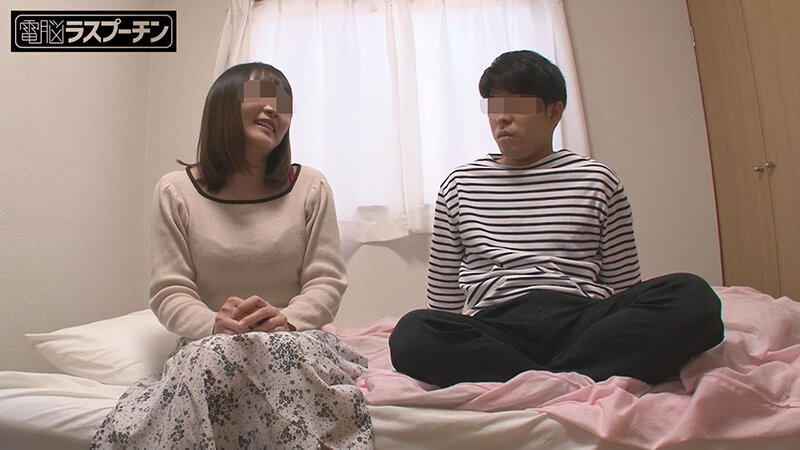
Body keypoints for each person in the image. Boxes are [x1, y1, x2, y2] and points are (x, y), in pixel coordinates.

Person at [389, 50, 724, 388]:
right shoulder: (460, 185)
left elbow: (624, 288)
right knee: (411, 334)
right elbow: (442, 303)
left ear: (554, 111)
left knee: (693, 296)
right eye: (493, 107)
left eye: (515, 105)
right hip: (498, 325)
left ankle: (534, 378)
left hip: (582, 320)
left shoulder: (598, 180)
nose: (501, 118)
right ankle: (568, 375)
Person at [92, 63, 373, 449]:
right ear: (224, 105)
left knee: (276, 359)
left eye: (283, 104)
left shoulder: (310, 186)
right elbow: (169, 290)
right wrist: (213, 323)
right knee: (215, 360)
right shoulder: (175, 191)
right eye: (261, 97)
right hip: (211, 345)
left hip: (296, 340)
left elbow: (326, 280)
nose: (274, 109)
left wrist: (288, 319)